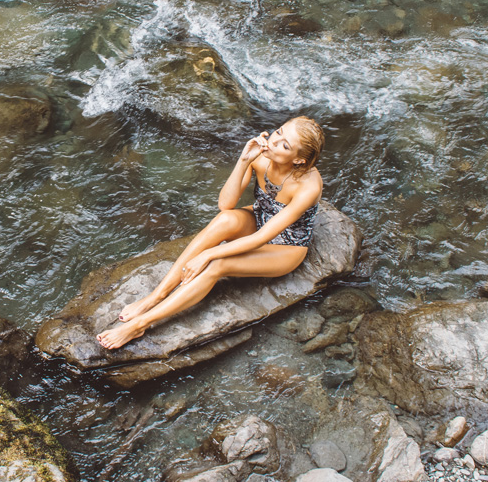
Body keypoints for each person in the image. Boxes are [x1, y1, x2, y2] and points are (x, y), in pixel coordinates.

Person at [96, 116, 325, 350]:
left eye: (285, 145)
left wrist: (209, 254)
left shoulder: (308, 186)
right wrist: (244, 160)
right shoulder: (261, 156)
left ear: (299, 159)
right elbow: (225, 205)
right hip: (259, 218)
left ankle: (140, 325)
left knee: (217, 264)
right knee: (223, 220)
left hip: (286, 246)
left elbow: (261, 238)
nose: (275, 142)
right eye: (278, 132)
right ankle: (155, 296)